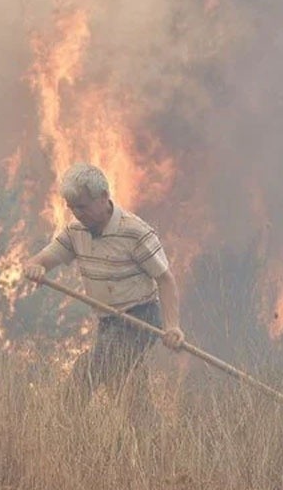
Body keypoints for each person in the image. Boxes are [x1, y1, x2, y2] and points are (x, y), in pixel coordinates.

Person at [23, 163, 184, 419]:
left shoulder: (135, 232)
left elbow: (165, 280)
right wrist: (34, 268)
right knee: (127, 390)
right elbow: (42, 260)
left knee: (86, 372)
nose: (77, 213)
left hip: (139, 318)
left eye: (82, 207)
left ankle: (62, 429)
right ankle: (155, 443)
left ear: (103, 198)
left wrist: (172, 326)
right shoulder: (76, 232)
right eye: (71, 207)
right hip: (108, 321)